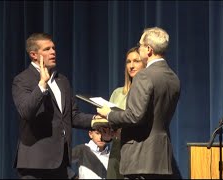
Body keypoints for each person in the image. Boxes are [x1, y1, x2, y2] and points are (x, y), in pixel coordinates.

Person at [97, 27, 182, 179]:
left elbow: (135, 116)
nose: (140, 48)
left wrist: (109, 114)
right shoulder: (173, 77)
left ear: (149, 49)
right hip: (162, 155)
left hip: (140, 155)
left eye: (141, 45)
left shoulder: (144, 76)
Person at [12, 32, 97, 179]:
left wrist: (98, 119)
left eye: (53, 48)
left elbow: (73, 116)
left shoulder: (61, 80)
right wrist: (42, 85)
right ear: (33, 55)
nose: (53, 52)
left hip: (60, 163)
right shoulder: (22, 80)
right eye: (47, 49)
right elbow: (26, 111)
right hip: (35, 164)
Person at [106, 46, 146, 179]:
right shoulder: (117, 93)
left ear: (144, 64)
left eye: (136, 61)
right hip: (117, 151)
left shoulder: (147, 91)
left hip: (138, 152)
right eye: (128, 62)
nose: (132, 66)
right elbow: (109, 121)